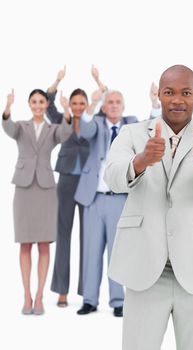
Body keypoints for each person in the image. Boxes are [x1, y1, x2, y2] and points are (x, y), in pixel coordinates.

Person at [104, 65, 193, 349]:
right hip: (144, 270)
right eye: (169, 92)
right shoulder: (131, 133)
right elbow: (112, 176)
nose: (177, 99)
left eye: (185, 93)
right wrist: (139, 161)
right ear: (159, 95)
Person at [75, 89, 161, 317]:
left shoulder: (131, 125)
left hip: (120, 199)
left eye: (117, 102)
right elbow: (84, 129)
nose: (113, 105)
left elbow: (151, 128)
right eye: (109, 102)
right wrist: (91, 104)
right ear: (104, 107)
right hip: (94, 198)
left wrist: (154, 102)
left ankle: (117, 300)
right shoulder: (96, 123)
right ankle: (89, 300)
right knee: (91, 251)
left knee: (118, 252)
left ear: (123, 106)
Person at [2, 88, 72, 315]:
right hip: (23, 188)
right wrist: (7, 109)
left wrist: (67, 111)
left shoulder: (53, 129)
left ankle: (40, 296)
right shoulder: (21, 127)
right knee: (24, 243)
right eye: (34, 101)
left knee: (43, 244)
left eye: (42, 101)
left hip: (45, 190)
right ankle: (26, 296)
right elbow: (7, 127)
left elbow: (66, 134)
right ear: (29, 104)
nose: (39, 105)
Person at [46, 66, 105, 307]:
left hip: (89, 183)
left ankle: (86, 290)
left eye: (82, 103)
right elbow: (48, 104)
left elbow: (107, 100)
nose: (79, 107)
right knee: (63, 234)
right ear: (69, 104)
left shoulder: (95, 121)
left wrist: (98, 80)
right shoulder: (62, 119)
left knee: (88, 237)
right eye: (75, 103)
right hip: (67, 181)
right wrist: (57, 80)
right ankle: (62, 290)